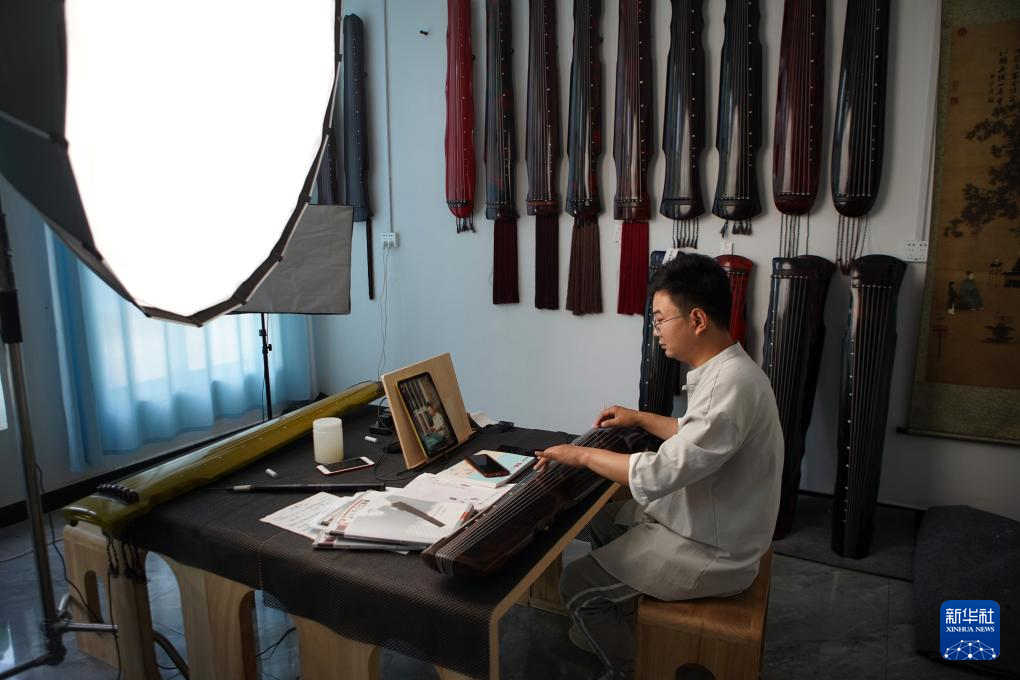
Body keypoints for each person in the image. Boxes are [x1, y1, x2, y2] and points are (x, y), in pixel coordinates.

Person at [536, 253, 783, 680]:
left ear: (697, 319)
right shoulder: (731, 370)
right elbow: (695, 433)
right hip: (713, 522)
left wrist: (581, 455)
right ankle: (621, 615)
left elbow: (657, 473)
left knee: (576, 587)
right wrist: (639, 417)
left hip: (714, 549)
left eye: (660, 319)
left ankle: (634, 666)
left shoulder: (729, 387)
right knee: (602, 519)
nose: (657, 331)